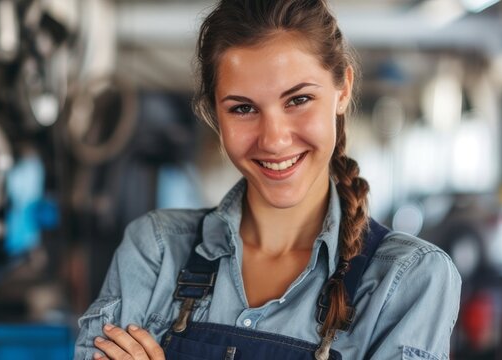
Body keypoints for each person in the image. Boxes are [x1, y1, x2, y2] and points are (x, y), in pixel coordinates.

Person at [74, 0, 461, 359]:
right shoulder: (155, 250)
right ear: (213, 114)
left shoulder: (410, 279)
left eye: (298, 100)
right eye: (243, 108)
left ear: (342, 89)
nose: (274, 139)